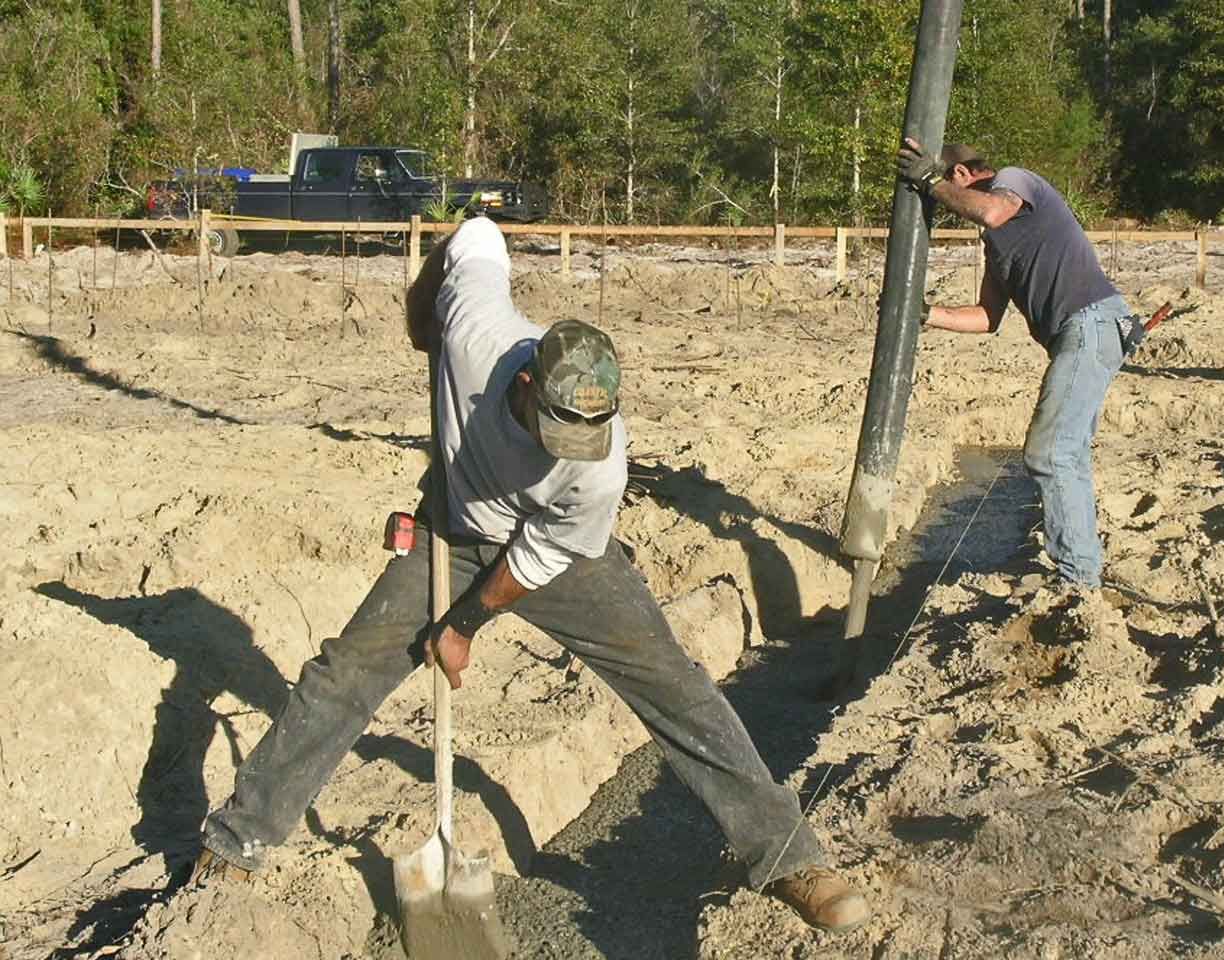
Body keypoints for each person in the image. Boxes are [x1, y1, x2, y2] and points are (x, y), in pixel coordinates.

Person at [188, 215, 869, 933]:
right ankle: (238, 841)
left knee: (673, 684)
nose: (567, 450)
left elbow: (541, 556)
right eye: (555, 431)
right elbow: (475, 232)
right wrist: (425, 314)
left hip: (556, 556)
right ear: (523, 383)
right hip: (452, 527)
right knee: (342, 675)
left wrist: (461, 626)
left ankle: (788, 855)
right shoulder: (471, 331)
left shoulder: (600, 465)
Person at [896, 139, 1142, 593]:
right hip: (1084, 333)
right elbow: (988, 317)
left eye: (951, 189)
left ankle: (1077, 582)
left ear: (962, 176)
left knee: (1048, 453)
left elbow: (990, 210)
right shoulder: (998, 245)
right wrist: (925, 313)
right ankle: (1082, 570)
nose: (953, 205)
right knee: (1068, 455)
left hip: (1090, 324)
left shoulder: (1014, 180)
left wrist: (928, 184)